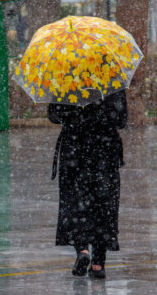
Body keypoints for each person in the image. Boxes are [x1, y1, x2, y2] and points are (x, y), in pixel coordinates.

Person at [48, 90, 127, 278]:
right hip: (104, 151)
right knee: (103, 204)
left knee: (75, 201)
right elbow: (121, 119)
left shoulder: (66, 75)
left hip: (74, 149)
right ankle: (99, 263)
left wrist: (75, 113)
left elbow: (53, 115)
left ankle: (82, 250)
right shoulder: (111, 81)